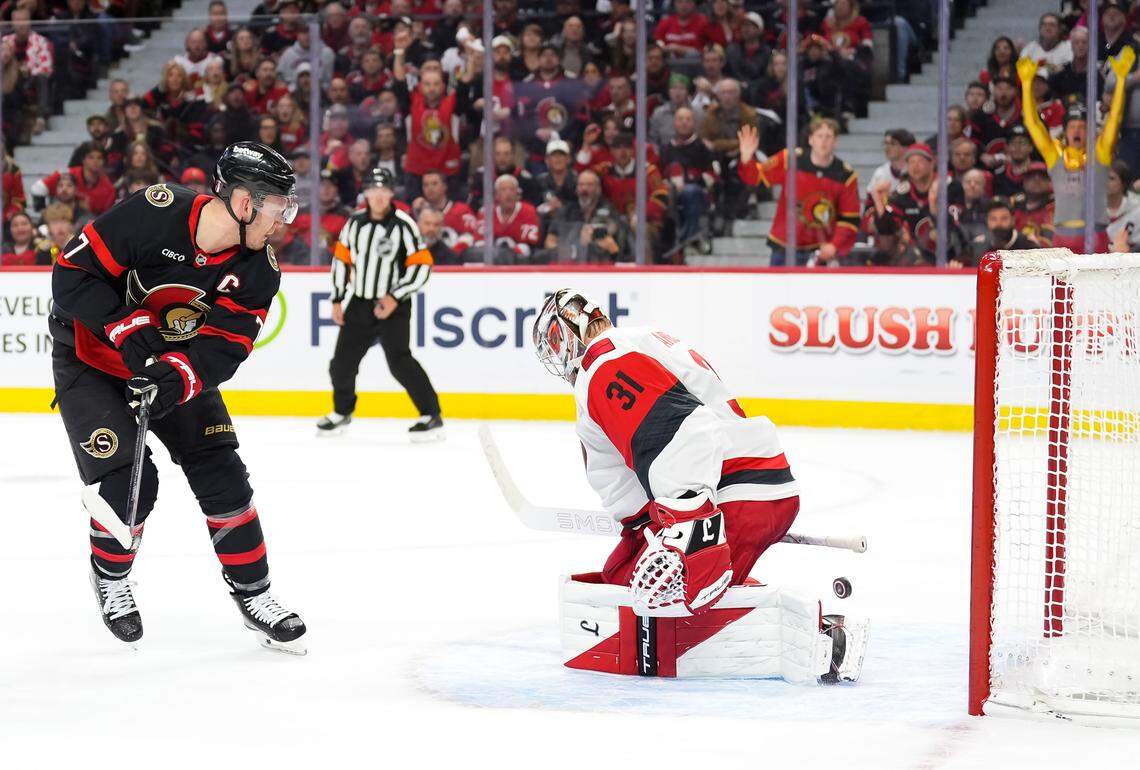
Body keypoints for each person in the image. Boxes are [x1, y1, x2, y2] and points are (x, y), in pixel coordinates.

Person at [49, 141, 307, 651]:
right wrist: (131, 330)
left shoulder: (260, 268)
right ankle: (112, 577)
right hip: (90, 360)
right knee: (128, 483)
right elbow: (70, 276)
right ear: (243, 202)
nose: (284, 219)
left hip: (170, 364)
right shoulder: (154, 212)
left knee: (221, 471)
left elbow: (225, 349)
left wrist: (173, 376)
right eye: (278, 206)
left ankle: (254, 594)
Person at [530, 288, 802, 619]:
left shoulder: (602, 364)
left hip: (723, 499)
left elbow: (680, 431)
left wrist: (693, 527)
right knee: (620, 573)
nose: (557, 355)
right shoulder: (638, 340)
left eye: (556, 341)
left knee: (655, 599)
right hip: (754, 486)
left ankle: (761, 618)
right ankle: (772, 617)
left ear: (572, 331)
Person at [319, 168, 442, 439]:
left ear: (390, 193)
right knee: (341, 363)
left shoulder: (404, 224)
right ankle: (342, 412)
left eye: (383, 189)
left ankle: (431, 415)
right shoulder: (354, 224)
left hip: (393, 306)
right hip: (360, 302)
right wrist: (338, 297)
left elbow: (422, 266)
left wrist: (395, 296)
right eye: (372, 189)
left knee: (400, 362)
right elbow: (342, 261)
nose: (377, 195)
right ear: (366, 193)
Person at [1017, 49, 1135, 251]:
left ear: (1090, 131)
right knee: (1063, 284)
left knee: (1097, 284)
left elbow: (1115, 120)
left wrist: (1122, 80)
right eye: (1072, 126)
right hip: (1062, 238)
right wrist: (1027, 85)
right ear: (1065, 132)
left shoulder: (1101, 153)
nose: (1077, 129)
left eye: (1082, 126)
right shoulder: (1055, 155)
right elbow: (1032, 123)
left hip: (1096, 234)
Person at [737, 118, 860, 266]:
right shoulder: (790, 159)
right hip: (784, 246)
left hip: (819, 251)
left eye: (828, 137)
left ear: (835, 142)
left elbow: (850, 219)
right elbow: (757, 178)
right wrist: (746, 158)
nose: (823, 142)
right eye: (819, 136)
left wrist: (834, 244)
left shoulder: (846, 175)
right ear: (810, 140)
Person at [967, 197, 1037, 265]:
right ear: (987, 221)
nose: (998, 224)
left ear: (1013, 220)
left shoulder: (1028, 247)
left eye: (1004, 218)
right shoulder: (977, 246)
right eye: (993, 219)